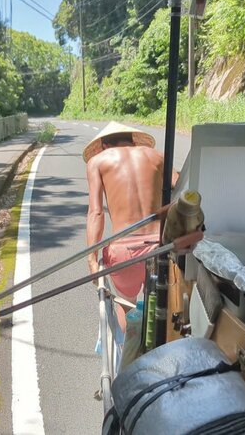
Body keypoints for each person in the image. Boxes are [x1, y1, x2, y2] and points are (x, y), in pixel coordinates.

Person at [85, 122, 179, 332]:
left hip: (124, 253)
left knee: (126, 304)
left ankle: (129, 352)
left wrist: (92, 258)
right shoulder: (156, 156)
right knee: (163, 303)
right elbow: (181, 186)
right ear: (133, 141)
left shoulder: (98, 161)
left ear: (104, 146)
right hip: (160, 246)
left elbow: (96, 213)